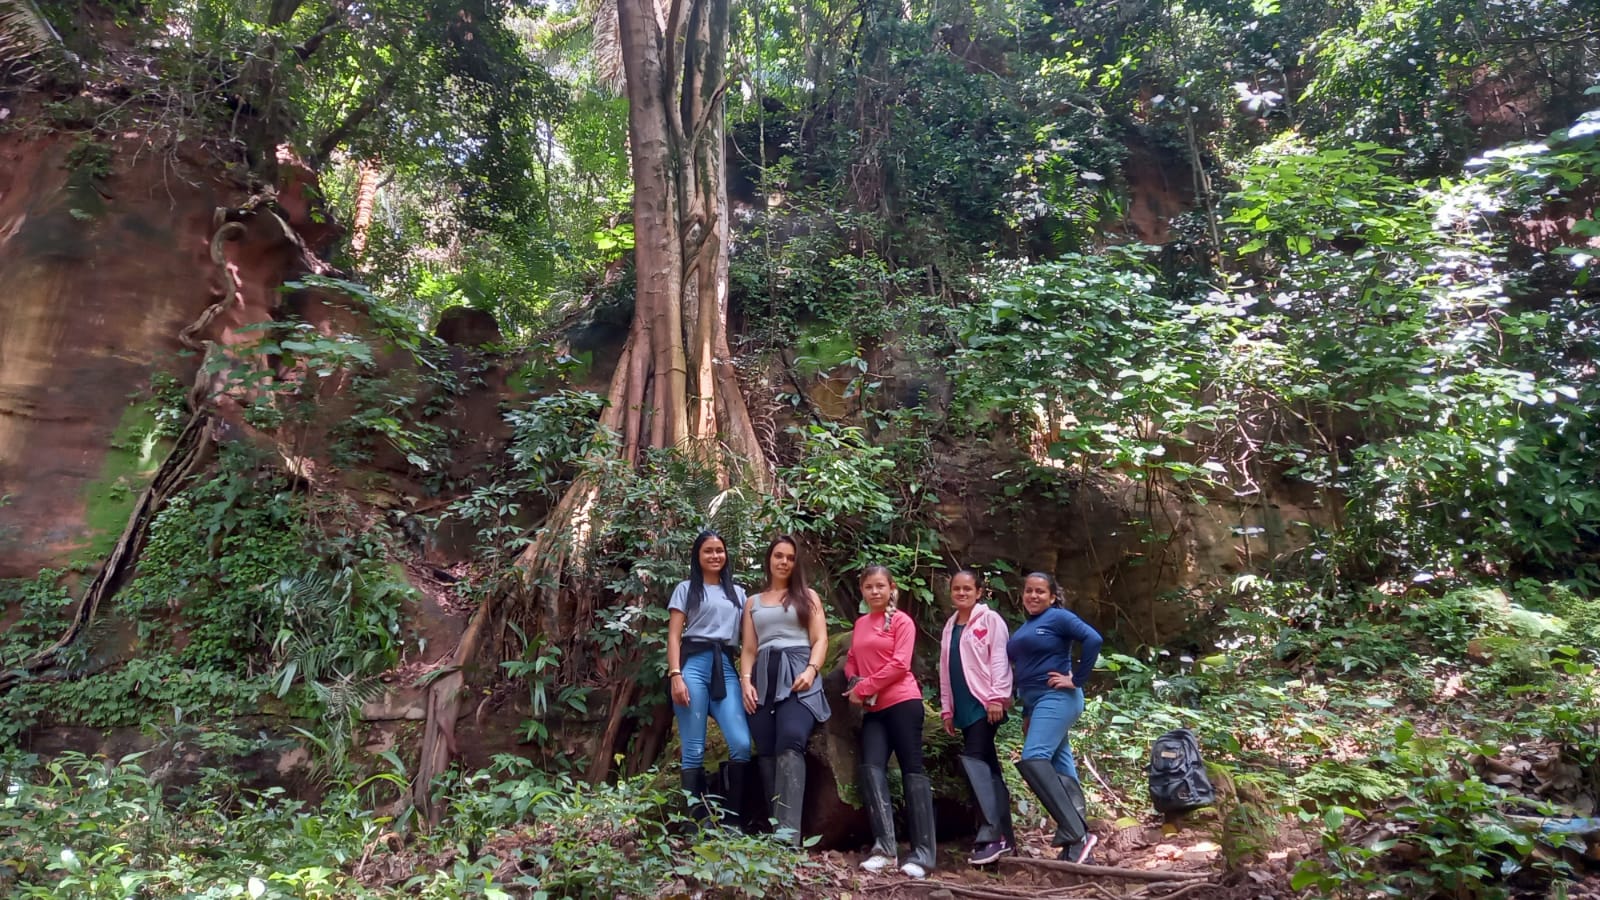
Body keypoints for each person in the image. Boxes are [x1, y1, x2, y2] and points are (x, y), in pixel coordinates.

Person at [843, 566, 937, 879]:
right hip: (874, 711)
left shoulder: (901, 621)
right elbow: (853, 660)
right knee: (871, 769)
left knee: (912, 770)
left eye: (880, 586)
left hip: (903, 702)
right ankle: (885, 848)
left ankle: (923, 853)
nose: (875, 592)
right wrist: (853, 680)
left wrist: (864, 688)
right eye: (869, 587)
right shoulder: (860, 623)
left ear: (891, 588)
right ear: (862, 590)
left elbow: (900, 664)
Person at [739, 535, 830, 846]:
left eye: (790, 558)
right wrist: (746, 681)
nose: (784, 562)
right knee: (765, 746)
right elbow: (749, 648)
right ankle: (774, 828)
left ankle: (788, 838)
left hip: (797, 676)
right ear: (769, 559)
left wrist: (811, 670)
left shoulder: (808, 596)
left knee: (790, 740)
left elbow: (820, 640)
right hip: (763, 678)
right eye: (778, 556)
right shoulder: (752, 602)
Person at [1007, 571, 1104, 863]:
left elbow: (1093, 639)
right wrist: (1026, 711)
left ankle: (1076, 832)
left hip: (1058, 697)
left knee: (1035, 757)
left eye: (1040, 591)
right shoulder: (1028, 625)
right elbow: (1026, 667)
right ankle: (1078, 846)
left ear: (1052, 596)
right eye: (1028, 591)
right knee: (1060, 764)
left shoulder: (1058, 618)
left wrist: (1077, 679)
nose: (1033, 596)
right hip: (1035, 702)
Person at [666, 530, 753, 828]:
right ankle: (694, 825)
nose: (715, 556)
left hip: (726, 665)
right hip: (693, 666)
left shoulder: (739, 594)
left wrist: (747, 677)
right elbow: (674, 636)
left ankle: (732, 822)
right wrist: (676, 675)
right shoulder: (686, 588)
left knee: (741, 742)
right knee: (694, 749)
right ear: (698, 556)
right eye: (708, 551)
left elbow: (750, 639)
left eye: (719, 550)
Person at [938, 569, 1015, 865]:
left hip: (985, 704)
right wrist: (947, 708)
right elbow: (945, 669)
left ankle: (992, 835)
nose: (961, 593)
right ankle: (1005, 834)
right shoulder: (949, 625)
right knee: (988, 767)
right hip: (963, 708)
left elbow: (999, 659)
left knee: (974, 761)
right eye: (956, 588)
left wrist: (997, 696)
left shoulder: (990, 620)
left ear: (979, 592)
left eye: (967, 589)